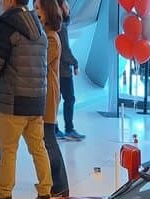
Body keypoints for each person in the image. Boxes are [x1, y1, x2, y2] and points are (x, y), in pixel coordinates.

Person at [0, 0, 52, 199]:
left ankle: (4, 196)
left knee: (8, 150)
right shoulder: (38, 25)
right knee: (38, 148)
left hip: (12, 101)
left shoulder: (6, 26)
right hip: (36, 101)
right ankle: (45, 192)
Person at [35, 0, 69, 196]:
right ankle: (54, 182)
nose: (35, 12)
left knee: (48, 140)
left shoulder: (51, 38)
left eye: (38, 8)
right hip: (45, 92)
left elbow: (40, 62)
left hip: (48, 94)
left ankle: (60, 184)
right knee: (46, 139)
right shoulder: (46, 36)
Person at [57, 0, 84, 140]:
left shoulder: (57, 25)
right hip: (63, 71)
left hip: (56, 70)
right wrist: (75, 63)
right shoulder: (61, 27)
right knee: (69, 99)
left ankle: (55, 129)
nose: (68, 9)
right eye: (66, 6)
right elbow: (65, 51)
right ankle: (69, 129)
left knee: (56, 99)